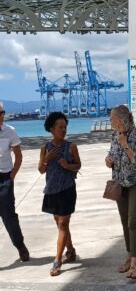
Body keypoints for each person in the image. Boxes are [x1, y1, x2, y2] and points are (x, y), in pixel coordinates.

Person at [105, 105, 136, 280]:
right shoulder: (114, 135)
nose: (110, 121)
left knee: (133, 221)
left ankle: (135, 263)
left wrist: (125, 146)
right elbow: (112, 154)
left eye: (112, 118)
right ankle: (129, 256)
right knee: (124, 221)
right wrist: (108, 159)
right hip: (120, 182)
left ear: (121, 119)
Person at [38, 112, 81, 276]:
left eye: (65, 127)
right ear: (51, 128)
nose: (63, 130)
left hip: (67, 189)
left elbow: (78, 165)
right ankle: (70, 250)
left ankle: (57, 260)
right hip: (51, 190)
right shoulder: (45, 148)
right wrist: (47, 159)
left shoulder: (71, 146)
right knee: (60, 224)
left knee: (63, 224)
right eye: (60, 127)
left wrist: (67, 165)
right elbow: (41, 170)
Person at [0, 102, 29, 262]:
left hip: (4, 178)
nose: (1, 116)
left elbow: (18, 156)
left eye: (2, 112)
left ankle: (20, 246)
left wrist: (12, 176)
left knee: (9, 216)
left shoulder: (10, 132)